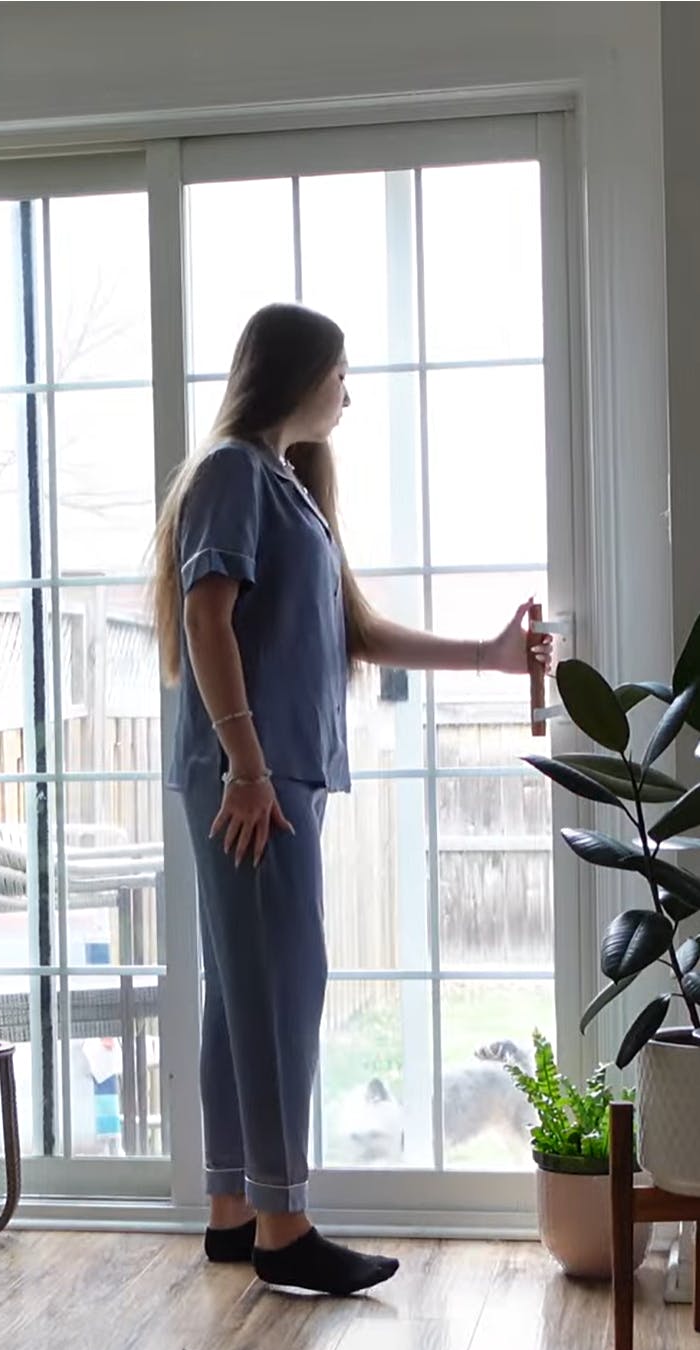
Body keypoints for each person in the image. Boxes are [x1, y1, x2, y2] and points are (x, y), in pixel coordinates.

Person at [152, 302, 551, 1296]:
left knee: (242, 989)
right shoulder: (233, 471)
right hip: (253, 775)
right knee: (280, 987)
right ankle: (284, 1226)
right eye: (340, 372)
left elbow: (354, 631)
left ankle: (234, 1212)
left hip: (266, 772)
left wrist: (490, 656)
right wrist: (248, 765)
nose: (347, 393)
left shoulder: (284, 484)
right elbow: (205, 617)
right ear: (299, 373)